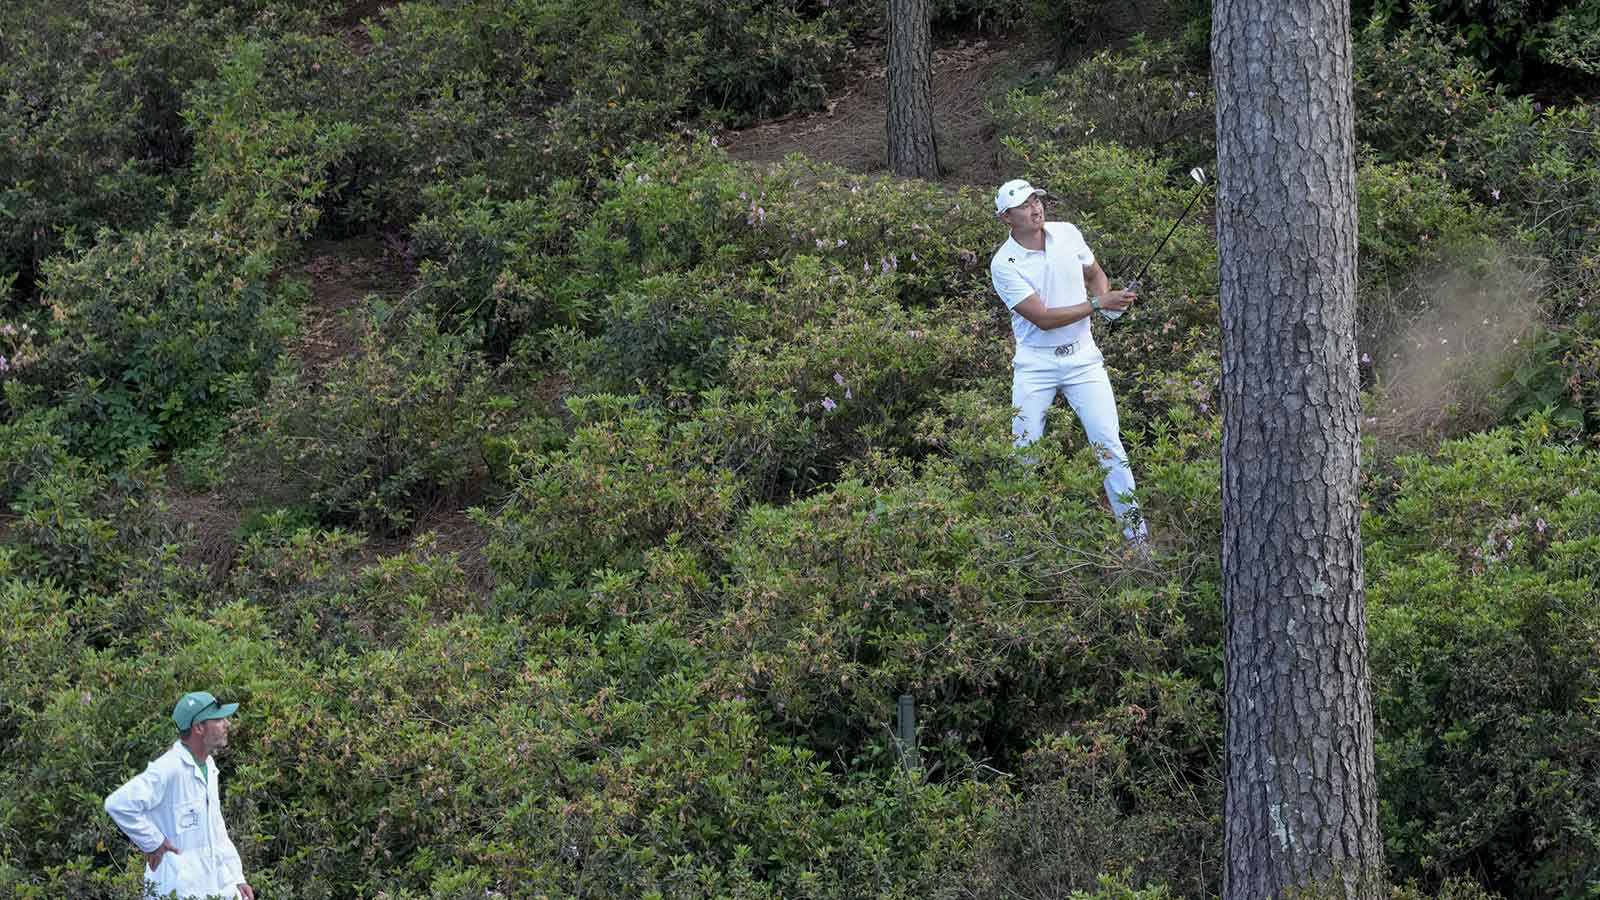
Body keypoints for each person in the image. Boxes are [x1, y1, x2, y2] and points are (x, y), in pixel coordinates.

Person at [989, 178, 1148, 543]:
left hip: (1084, 360)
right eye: (1024, 205)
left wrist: (1108, 302)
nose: (1035, 208)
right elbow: (1042, 318)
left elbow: (1095, 274)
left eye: (1036, 200)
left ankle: (1138, 541)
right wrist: (1097, 305)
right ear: (1006, 218)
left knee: (1109, 445)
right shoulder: (1004, 263)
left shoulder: (1068, 233)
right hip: (1035, 365)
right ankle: (1018, 544)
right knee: (1025, 453)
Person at [105, 691, 254, 900]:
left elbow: (217, 829)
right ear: (199, 728)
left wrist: (237, 876)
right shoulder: (168, 768)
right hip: (176, 888)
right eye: (218, 719)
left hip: (213, 886)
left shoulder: (209, 766)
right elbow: (118, 804)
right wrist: (154, 842)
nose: (227, 724)